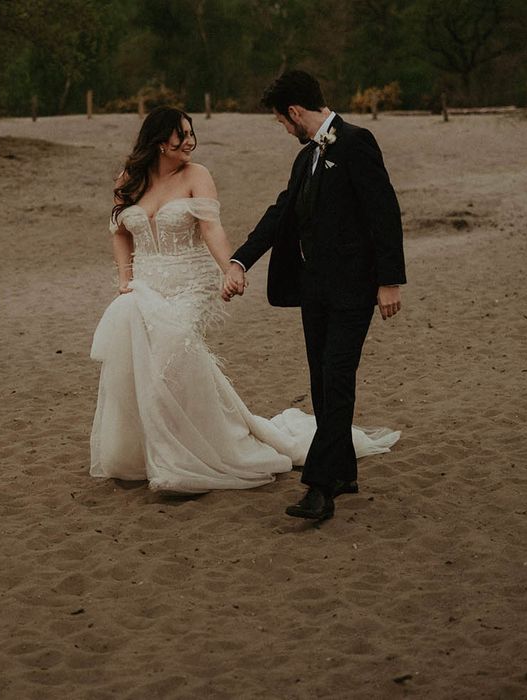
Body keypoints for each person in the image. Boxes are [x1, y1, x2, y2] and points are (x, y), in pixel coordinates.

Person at [89, 106, 398, 495]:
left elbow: (211, 228)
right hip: (145, 285)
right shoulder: (129, 180)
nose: (189, 141)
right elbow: (119, 229)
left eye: (191, 133)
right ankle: (149, 451)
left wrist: (230, 268)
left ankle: (182, 457)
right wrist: (125, 279)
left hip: (190, 283)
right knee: (135, 363)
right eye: (180, 135)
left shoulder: (196, 175)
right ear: (158, 141)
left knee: (171, 354)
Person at [223, 70, 406, 520]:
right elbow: (281, 212)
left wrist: (389, 281)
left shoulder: (357, 142)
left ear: (294, 111)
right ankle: (343, 471)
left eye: (282, 122)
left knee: (337, 378)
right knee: (322, 386)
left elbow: (384, 211)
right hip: (314, 290)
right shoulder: (306, 158)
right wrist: (240, 260)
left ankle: (320, 488)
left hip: (354, 290)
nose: (284, 130)